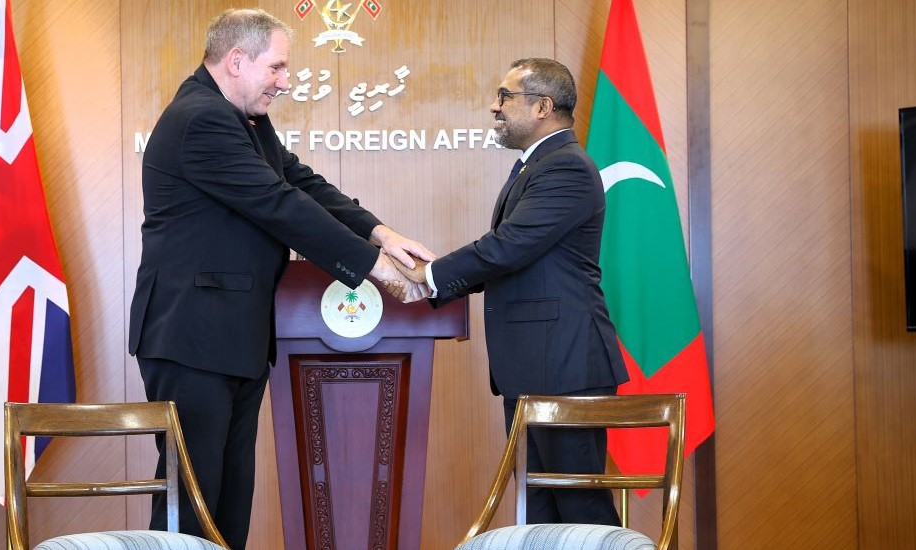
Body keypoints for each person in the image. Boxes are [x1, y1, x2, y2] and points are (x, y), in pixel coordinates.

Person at [127, 8, 430, 548]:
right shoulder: (201, 118)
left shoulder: (242, 118)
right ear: (236, 60)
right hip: (192, 338)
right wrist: (377, 270)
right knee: (191, 510)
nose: (285, 82)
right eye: (277, 67)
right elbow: (278, 204)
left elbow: (300, 183)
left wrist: (381, 233)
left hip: (232, 339)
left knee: (228, 507)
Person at [399, 58, 628, 525]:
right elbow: (514, 256)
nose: (494, 106)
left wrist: (428, 275)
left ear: (543, 106)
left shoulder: (566, 167)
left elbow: (508, 247)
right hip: (533, 364)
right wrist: (432, 280)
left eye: (505, 97)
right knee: (538, 509)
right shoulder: (537, 165)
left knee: (581, 508)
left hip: (565, 364)